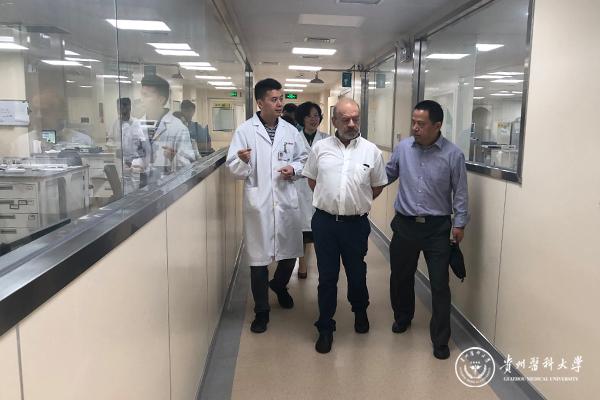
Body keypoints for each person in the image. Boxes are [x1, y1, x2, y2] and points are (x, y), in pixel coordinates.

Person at [302, 98, 387, 354]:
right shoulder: (320, 148)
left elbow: (377, 186)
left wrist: (354, 203)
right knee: (327, 277)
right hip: (325, 223)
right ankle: (325, 327)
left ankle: (360, 310)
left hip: (355, 225)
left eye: (355, 119)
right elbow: (312, 181)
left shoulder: (371, 151)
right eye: (345, 119)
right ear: (334, 121)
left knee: (356, 273)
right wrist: (331, 202)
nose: (351, 124)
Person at [385, 100, 469, 360]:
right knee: (400, 277)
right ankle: (403, 317)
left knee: (440, 284)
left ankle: (441, 339)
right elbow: (387, 174)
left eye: (421, 124)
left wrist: (459, 224)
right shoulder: (403, 148)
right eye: (413, 122)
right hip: (405, 225)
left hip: (437, 228)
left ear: (437, 125)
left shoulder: (453, 155)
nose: (415, 128)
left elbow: (460, 192)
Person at [226, 78, 308, 334]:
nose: (279, 103)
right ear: (260, 103)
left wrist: (293, 168)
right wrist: (242, 161)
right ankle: (261, 311)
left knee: (290, 254)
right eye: (274, 99)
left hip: (285, 200)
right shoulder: (245, 131)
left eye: (281, 98)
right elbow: (233, 168)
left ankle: (280, 286)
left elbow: (305, 158)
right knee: (258, 261)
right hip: (259, 203)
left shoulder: (291, 131)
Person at [293, 101, 328, 279]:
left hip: (320, 190)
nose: (313, 119)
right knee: (302, 233)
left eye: (316, 116)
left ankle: (319, 267)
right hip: (299, 189)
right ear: (302, 118)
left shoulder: (327, 140)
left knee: (319, 233)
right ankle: (302, 266)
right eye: (308, 116)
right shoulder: (294, 139)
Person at [140, 75, 196, 179]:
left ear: (161, 99)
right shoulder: (137, 126)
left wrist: (174, 158)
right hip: (140, 186)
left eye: (146, 95)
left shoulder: (178, 128)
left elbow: (188, 167)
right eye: (142, 94)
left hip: (167, 186)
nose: (141, 99)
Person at [108, 98, 151, 193]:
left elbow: (143, 144)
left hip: (134, 161)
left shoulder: (136, 123)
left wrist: (143, 162)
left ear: (129, 108)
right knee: (120, 188)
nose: (121, 110)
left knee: (134, 190)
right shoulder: (115, 123)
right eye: (119, 108)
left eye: (124, 107)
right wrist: (114, 147)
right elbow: (110, 139)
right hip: (120, 160)